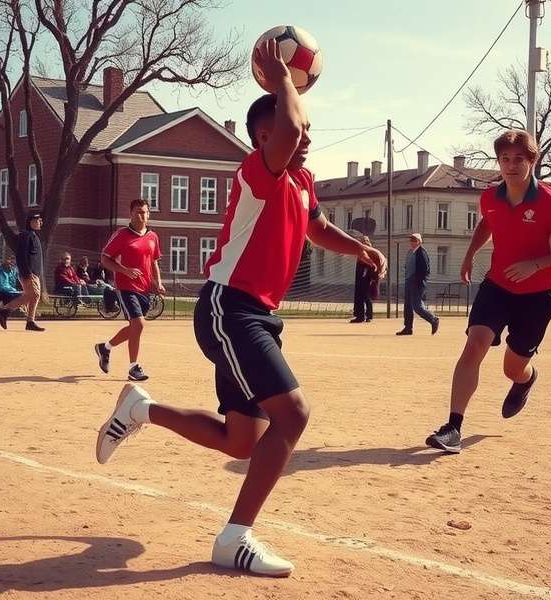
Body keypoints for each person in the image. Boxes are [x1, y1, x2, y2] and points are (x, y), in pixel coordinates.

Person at [94, 39, 387, 578]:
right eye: (292, 123)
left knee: (242, 440)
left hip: (254, 315)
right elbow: (292, 129)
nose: (305, 134)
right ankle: (234, 538)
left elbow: (318, 230)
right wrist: (282, 80)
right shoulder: (257, 171)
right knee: (293, 415)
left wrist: (361, 248)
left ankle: (140, 409)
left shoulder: (299, 182)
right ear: (263, 135)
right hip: (232, 309)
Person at [425, 129, 551, 454]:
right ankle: (453, 427)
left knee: (512, 368)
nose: (511, 166)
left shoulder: (550, 202)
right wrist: (469, 256)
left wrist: (535, 264)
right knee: (474, 345)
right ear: (499, 161)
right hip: (496, 287)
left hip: (537, 296)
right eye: (505, 159)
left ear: (531, 161)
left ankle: (525, 379)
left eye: (518, 159)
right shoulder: (490, 198)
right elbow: (487, 223)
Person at [93, 199, 164, 381]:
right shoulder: (121, 235)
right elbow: (105, 259)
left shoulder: (153, 237)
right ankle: (133, 367)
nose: (142, 215)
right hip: (126, 287)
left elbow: (154, 261)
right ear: (131, 214)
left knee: (135, 326)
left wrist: (158, 282)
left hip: (145, 289)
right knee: (138, 324)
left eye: (145, 212)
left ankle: (105, 348)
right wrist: (125, 270)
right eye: (138, 211)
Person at [0, 210, 47, 331]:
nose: (40, 222)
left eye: (40, 220)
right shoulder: (25, 235)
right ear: (31, 222)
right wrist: (27, 272)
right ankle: (5, 310)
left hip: (35, 273)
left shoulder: (34, 236)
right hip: (29, 272)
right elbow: (21, 255)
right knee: (33, 294)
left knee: (35, 296)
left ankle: (30, 321)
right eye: (37, 220)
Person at [396, 233, 439, 336]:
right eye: (410, 240)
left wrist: (418, 281)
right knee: (408, 306)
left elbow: (425, 270)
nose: (411, 242)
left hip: (417, 283)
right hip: (409, 281)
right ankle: (408, 328)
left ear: (419, 242)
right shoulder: (411, 252)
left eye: (414, 240)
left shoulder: (421, 253)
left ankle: (433, 319)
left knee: (417, 306)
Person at [350, 235, 377, 323]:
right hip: (360, 276)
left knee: (366, 296)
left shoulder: (371, 252)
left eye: (365, 240)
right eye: (362, 240)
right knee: (359, 296)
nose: (363, 242)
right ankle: (360, 315)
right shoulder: (360, 251)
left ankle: (367, 316)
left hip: (367, 277)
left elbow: (373, 266)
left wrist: (371, 277)